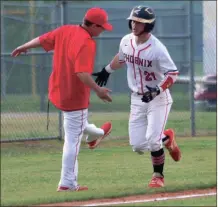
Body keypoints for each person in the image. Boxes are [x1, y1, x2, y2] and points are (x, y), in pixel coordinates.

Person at [11, 7, 113, 192]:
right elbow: (81, 73)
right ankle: (67, 183)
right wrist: (98, 90)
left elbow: (42, 39)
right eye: (102, 27)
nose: (103, 30)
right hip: (74, 97)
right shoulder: (87, 42)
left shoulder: (66, 30)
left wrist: (23, 46)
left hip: (58, 92)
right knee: (72, 140)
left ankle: (97, 134)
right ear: (94, 25)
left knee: (76, 125)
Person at [92, 5, 181, 188]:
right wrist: (107, 70)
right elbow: (122, 57)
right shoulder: (126, 40)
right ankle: (166, 138)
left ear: (148, 26)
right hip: (137, 98)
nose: (134, 24)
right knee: (138, 146)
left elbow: (173, 73)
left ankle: (158, 176)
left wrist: (157, 89)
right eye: (133, 21)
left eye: (139, 22)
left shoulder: (157, 48)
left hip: (158, 98)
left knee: (152, 139)